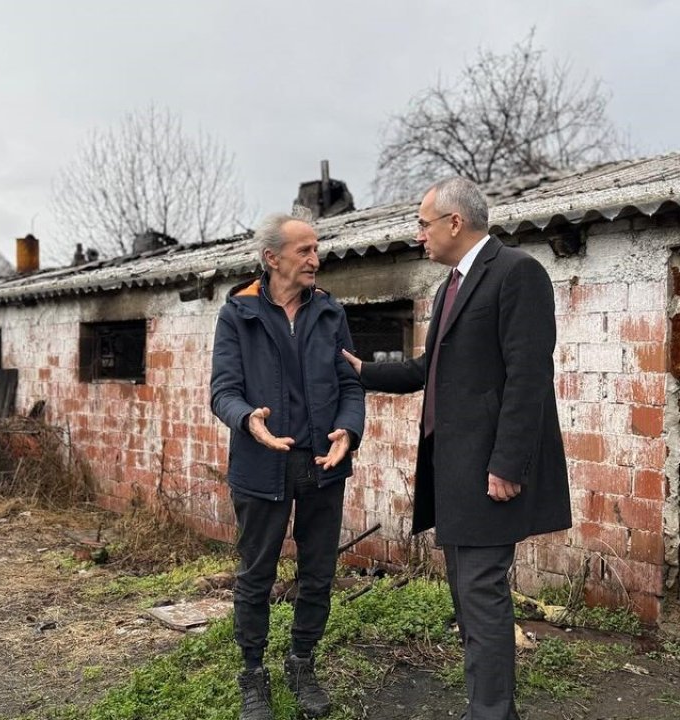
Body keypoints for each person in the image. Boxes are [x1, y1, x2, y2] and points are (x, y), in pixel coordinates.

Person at [341, 177, 571, 720]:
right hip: (455, 472)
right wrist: (364, 371)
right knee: (468, 597)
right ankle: (488, 708)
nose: (417, 234)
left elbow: (528, 375)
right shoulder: (451, 286)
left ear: (453, 222)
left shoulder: (517, 272)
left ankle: (490, 713)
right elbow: (430, 371)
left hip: (491, 471)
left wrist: (508, 464)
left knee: (482, 594)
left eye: (422, 223)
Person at [210, 213, 366, 720]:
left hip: (322, 464)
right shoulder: (239, 313)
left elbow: (349, 385)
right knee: (255, 574)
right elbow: (223, 391)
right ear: (272, 258)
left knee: (318, 573)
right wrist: (247, 420)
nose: (315, 260)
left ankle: (302, 663)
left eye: (316, 249)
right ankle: (252, 674)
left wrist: (349, 428)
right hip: (261, 464)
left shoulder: (330, 313)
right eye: (304, 251)